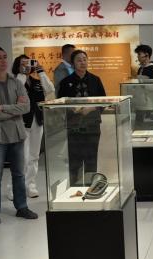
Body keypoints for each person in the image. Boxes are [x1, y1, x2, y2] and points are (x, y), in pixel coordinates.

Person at [0, 46, 38, 228]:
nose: (3, 60)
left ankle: (21, 207)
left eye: (5, 57)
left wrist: (3, 108)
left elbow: (26, 107)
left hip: (17, 134)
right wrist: (14, 110)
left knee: (19, 174)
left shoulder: (17, 83)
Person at [56, 48, 107, 186]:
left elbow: (104, 101)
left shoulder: (95, 80)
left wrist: (92, 108)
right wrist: (71, 108)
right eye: (79, 60)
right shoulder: (66, 82)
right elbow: (60, 102)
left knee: (91, 159)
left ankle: (90, 188)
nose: (83, 62)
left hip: (92, 125)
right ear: (73, 63)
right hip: (73, 126)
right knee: (75, 160)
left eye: (85, 59)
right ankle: (75, 188)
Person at [12, 54, 48, 198]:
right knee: (22, 158)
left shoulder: (37, 81)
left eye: (28, 63)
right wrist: (22, 74)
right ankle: (15, 187)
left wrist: (41, 72)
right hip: (21, 122)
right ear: (17, 66)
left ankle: (30, 184)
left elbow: (50, 89)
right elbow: (14, 92)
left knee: (34, 156)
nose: (26, 66)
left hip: (37, 121)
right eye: (22, 63)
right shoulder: (14, 81)